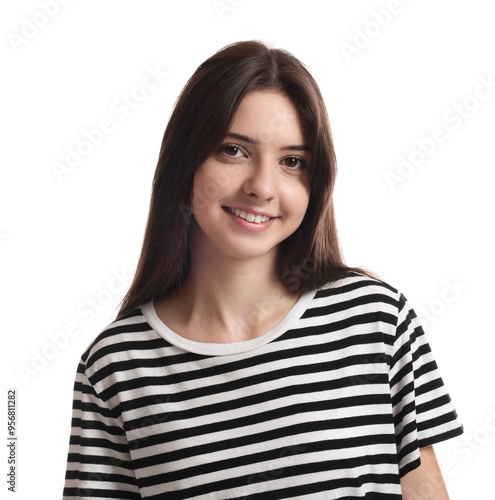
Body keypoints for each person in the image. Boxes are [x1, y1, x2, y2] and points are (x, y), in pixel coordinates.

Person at [63, 40, 463, 499]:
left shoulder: (377, 320)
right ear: (186, 159)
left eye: (293, 162)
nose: (262, 187)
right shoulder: (116, 365)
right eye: (233, 150)